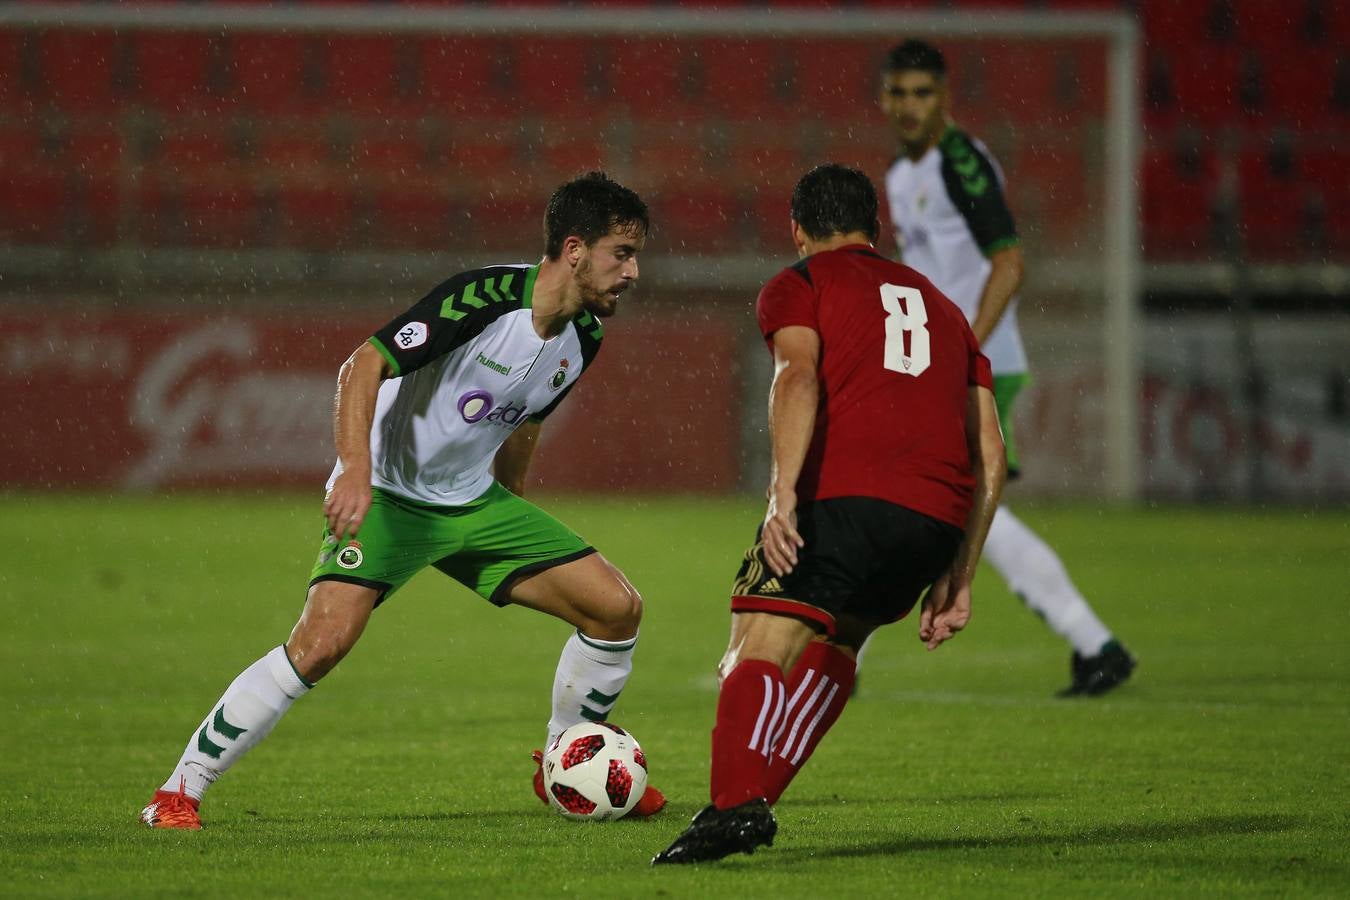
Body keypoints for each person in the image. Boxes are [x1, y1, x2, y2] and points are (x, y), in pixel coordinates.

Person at [139, 171, 665, 830]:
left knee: (616, 610)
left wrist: (515, 504)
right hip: (388, 493)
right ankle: (177, 791)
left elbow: (525, 421)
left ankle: (564, 764)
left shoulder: (583, 336)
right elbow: (363, 364)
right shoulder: (485, 297)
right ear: (577, 249)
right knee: (322, 645)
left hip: (474, 505)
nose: (634, 271)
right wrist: (355, 471)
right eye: (623, 252)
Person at [653, 164, 1007, 865]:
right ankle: (748, 802)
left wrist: (782, 494)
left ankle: (731, 808)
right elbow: (991, 451)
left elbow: (797, 375)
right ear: (877, 230)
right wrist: (960, 573)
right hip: (932, 522)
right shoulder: (944, 309)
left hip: (843, 500)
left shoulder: (801, 283)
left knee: (756, 641)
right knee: (837, 643)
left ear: (798, 230)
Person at [872, 39, 1135, 696]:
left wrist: (966, 348)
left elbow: (1010, 262)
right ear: (883, 98)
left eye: (923, 93)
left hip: (980, 364)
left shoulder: (962, 163)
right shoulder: (903, 176)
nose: (910, 106)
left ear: (945, 97)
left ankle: (1095, 642)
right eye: (899, 93)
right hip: (943, 364)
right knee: (944, 507)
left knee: (957, 509)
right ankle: (1094, 643)